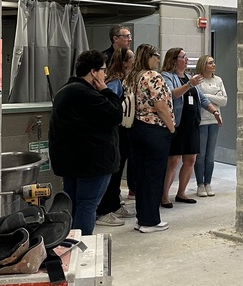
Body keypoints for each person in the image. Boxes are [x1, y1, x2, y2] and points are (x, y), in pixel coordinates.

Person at [49, 50, 122, 236]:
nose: (105, 75)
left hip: (70, 162)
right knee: (88, 205)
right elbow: (116, 114)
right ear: (94, 72)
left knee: (73, 204)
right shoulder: (87, 94)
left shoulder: (64, 91)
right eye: (103, 70)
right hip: (92, 163)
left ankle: (69, 242)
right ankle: (81, 245)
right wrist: (106, 89)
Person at [161, 47, 221, 207]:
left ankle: (181, 193)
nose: (186, 59)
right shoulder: (167, 76)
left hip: (192, 125)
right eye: (183, 57)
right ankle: (164, 195)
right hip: (177, 125)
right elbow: (172, 95)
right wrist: (189, 84)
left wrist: (214, 111)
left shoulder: (189, 77)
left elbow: (201, 99)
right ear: (174, 60)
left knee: (190, 159)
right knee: (173, 161)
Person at [126, 44, 175, 233]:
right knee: (154, 175)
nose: (158, 59)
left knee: (142, 175)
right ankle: (150, 221)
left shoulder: (132, 76)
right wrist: (171, 128)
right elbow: (161, 106)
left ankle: (142, 217)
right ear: (149, 57)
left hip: (136, 129)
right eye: (156, 56)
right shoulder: (153, 76)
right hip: (155, 129)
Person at [95, 47, 135, 227]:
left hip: (124, 130)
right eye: (132, 57)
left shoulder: (125, 79)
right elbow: (109, 105)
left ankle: (114, 204)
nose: (135, 60)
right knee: (113, 171)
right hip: (116, 131)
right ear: (125, 62)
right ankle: (104, 210)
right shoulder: (115, 81)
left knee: (118, 171)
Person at [194, 54, 227, 197]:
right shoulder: (198, 80)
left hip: (214, 120)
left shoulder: (218, 80)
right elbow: (197, 99)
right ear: (203, 65)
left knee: (210, 155)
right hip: (201, 121)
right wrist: (214, 97)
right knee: (200, 155)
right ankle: (200, 185)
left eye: (214, 62)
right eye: (210, 63)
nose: (213, 65)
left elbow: (224, 101)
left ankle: (208, 183)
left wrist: (206, 96)